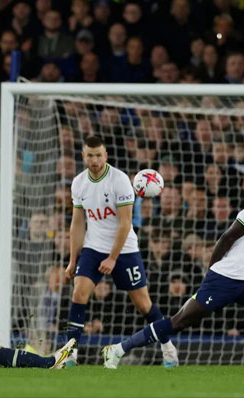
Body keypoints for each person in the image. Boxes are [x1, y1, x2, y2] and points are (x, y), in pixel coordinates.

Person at [102, 172, 244, 374]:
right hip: (224, 279)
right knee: (178, 321)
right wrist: (212, 272)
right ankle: (118, 349)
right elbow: (226, 238)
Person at [64, 136, 178, 367]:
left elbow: (126, 223)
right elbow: (77, 224)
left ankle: (167, 347)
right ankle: (71, 353)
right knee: (79, 293)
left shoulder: (120, 180)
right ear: (83, 156)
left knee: (143, 304)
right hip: (93, 247)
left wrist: (113, 258)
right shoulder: (78, 183)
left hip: (124, 250)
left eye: (98, 155)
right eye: (90, 155)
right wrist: (72, 260)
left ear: (106, 156)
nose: (94, 160)